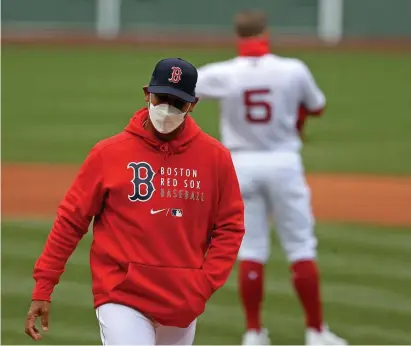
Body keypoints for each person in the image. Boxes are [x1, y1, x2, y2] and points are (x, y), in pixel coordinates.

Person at [25, 57, 245, 345]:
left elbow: (230, 227)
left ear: (193, 104)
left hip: (182, 298)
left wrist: (203, 283)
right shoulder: (109, 153)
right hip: (120, 293)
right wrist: (44, 286)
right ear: (146, 94)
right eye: (161, 97)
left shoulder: (215, 158)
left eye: (177, 102)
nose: (166, 108)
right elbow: (71, 220)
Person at [195, 10, 348, 346]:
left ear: (237, 36)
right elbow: (316, 106)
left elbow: (182, 90)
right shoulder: (292, 69)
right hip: (283, 162)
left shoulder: (222, 73)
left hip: (241, 165)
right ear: (266, 33)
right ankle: (317, 332)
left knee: (251, 248)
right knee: (300, 246)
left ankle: (253, 333)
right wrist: (295, 124)